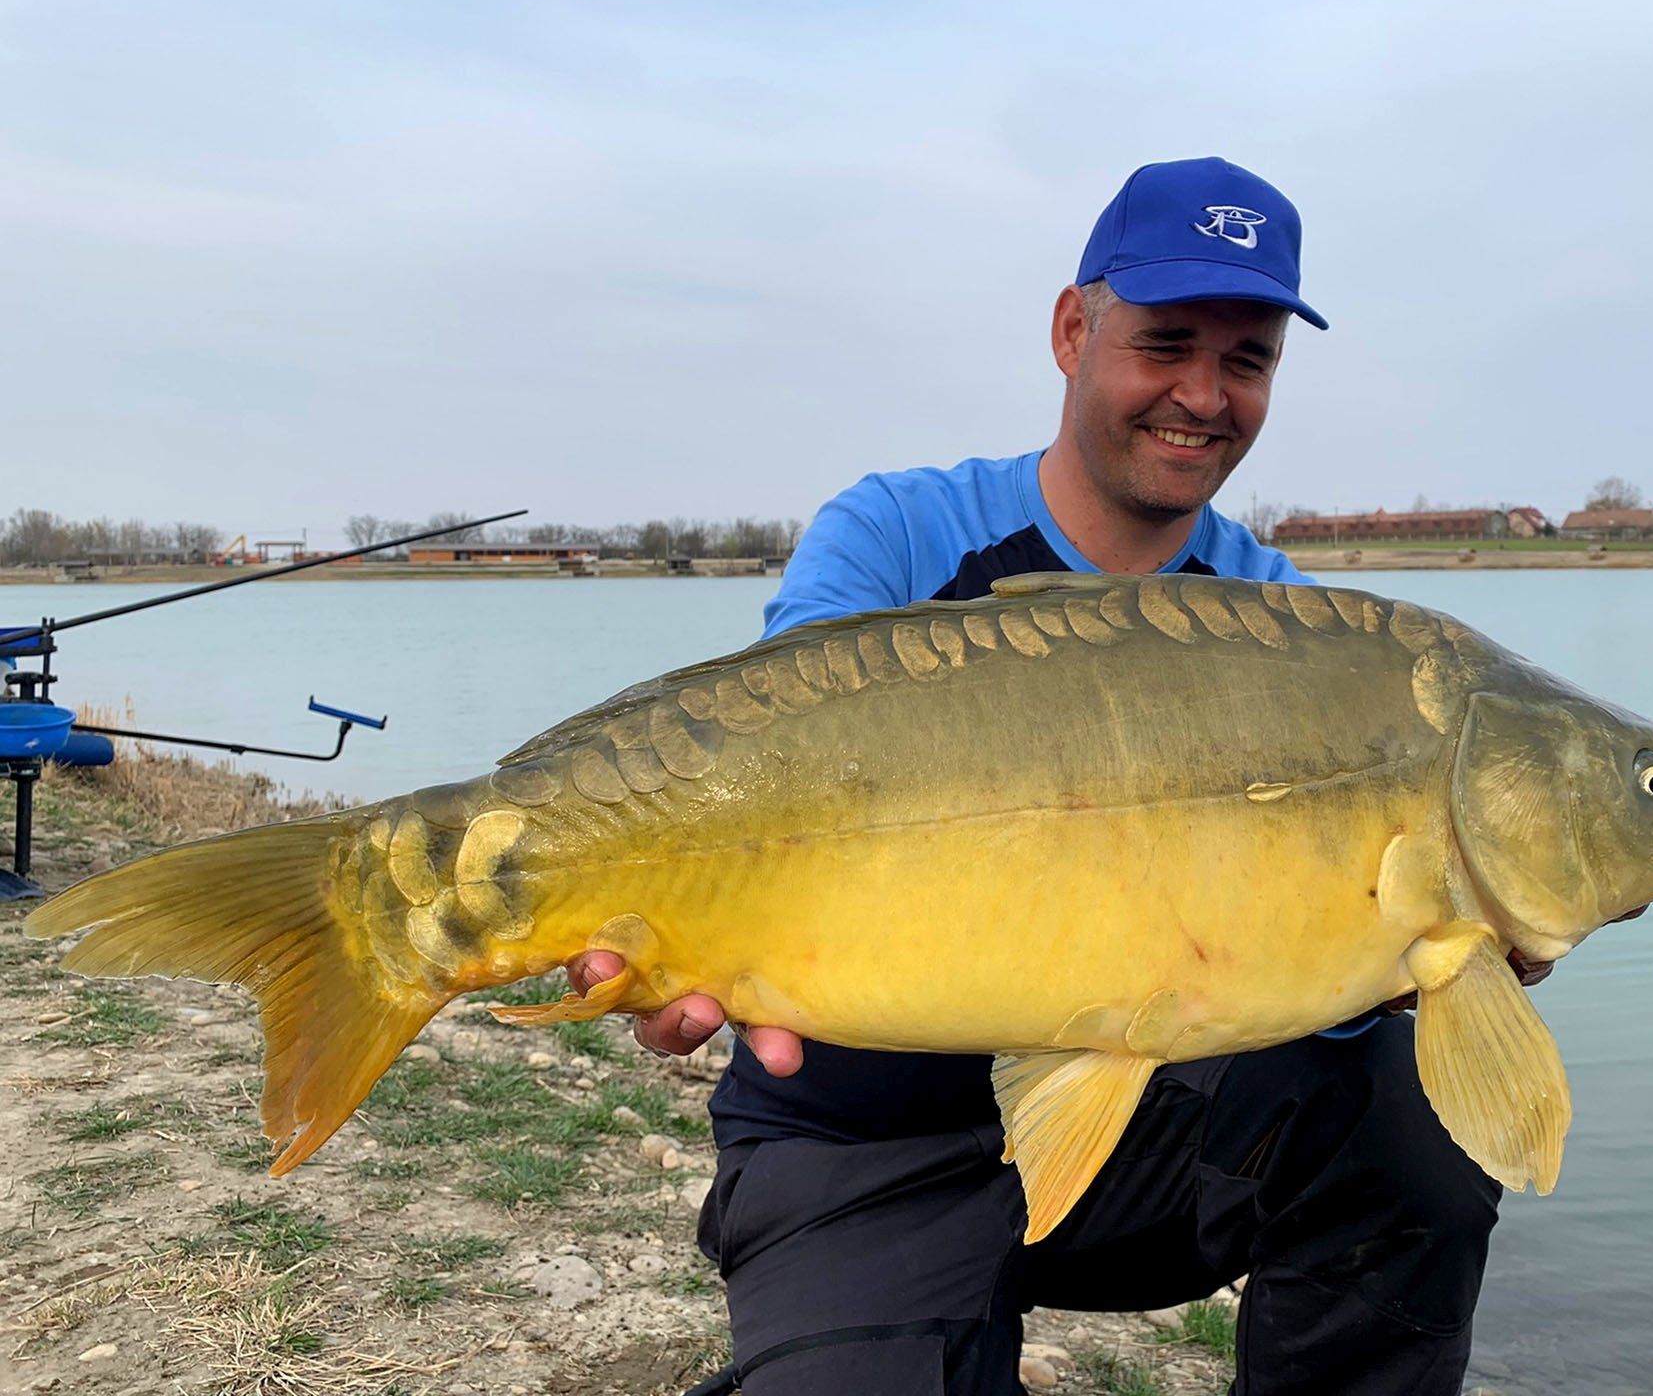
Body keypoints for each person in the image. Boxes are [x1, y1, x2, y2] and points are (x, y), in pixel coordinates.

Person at [570, 158, 1541, 1394]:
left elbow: (1324, 973)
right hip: (861, 1124)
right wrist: (658, 930)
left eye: (1247, 361)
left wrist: (1431, 944)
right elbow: (762, 777)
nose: (1203, 395)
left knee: (1408, 1131)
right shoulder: (896, 535)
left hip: (1139, 1128)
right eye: (1167, 342)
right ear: (1074, 329)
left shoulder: (1301, 631)